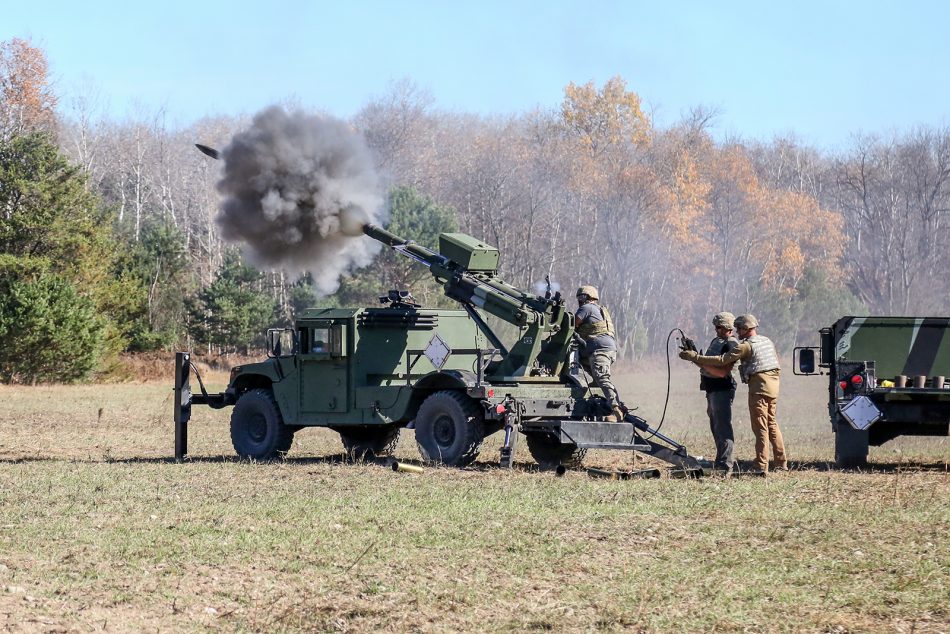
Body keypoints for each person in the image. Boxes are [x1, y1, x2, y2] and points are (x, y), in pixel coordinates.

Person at [679, 314, 787, 473]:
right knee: (771, 424)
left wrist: (696, 357)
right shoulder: (766, 341)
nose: (736, 331)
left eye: (739, 329)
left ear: (746, 328)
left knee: (760, 427)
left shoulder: (744, 346)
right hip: (773, 387)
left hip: (759, 388)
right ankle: (781, 463)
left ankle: (760, 466)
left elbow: (723, 361)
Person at [683, 312, 739, 474]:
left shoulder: (731, 344)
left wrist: (697, 358)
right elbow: (706, 365)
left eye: (719, 327)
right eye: (716, 327)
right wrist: (695, 358)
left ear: (728, 328)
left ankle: (725, 465)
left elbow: (722, 372)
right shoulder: (717, 341)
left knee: (722, 426)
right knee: (715, 425)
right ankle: (720, 460)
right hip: (711, 388)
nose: (716, 329)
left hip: (722, 388)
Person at [574, 286, 625, 421]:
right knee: (580, 367)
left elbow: (571, 324)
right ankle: (598, 400)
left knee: (601, 377)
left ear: (589, 298)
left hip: (599, 349)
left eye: (581, 297)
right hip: (606, 349)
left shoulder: (586, 308)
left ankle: (616, 410)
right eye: (579, 298)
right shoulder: (600, 310)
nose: (579, 300)